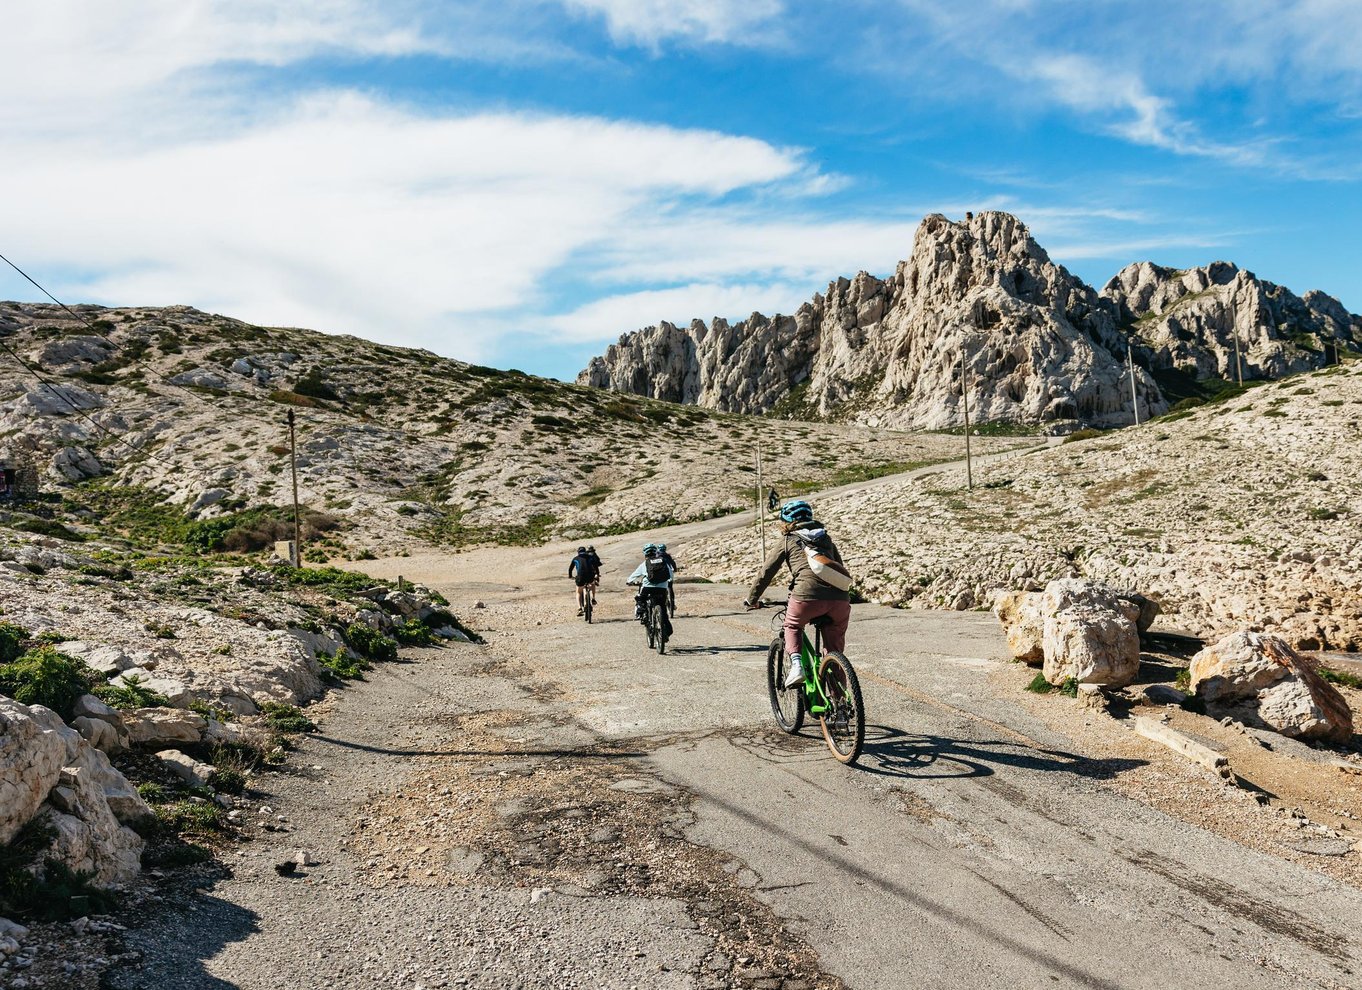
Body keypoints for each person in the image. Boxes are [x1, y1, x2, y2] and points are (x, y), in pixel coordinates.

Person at [743, 499, 851, 687]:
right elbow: (839, 568)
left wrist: (752, 599)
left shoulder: (788, 539)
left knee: (792, 626)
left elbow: (766, 572)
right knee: (834, 652)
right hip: (839, 600)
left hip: (806, 596)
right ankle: (840, 704)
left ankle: (796, 667)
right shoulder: (826, 538)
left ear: (786, 521)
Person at [626, 543, 673, 637]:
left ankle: (642, 613)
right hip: (662, 588)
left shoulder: (644, 564)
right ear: (655, 552)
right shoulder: (663, 561)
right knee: (663, 608)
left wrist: (629, 581)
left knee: (641, 598)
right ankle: (665, 630)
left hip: (648, 587)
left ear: (645, 554)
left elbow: (634, 576)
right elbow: (670, 575)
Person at [568, 545, 599, 615]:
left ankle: (579, 608)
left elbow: (570, 569)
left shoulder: (575, 558)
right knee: (592, 583)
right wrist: (597, 574)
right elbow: (596, 567)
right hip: (590, 576)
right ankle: (592, 598)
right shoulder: (590, 557)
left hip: (580, 577)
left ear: (578, 552)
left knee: (578, 592)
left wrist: (570, 576)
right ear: (585, 552)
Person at [658, 543, 679, 612]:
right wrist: (675, 570)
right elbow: (673, 564)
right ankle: (672, 603)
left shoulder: (656, 556)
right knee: (670, 588)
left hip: (660, 575)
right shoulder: (667, 556)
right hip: (669, 575)